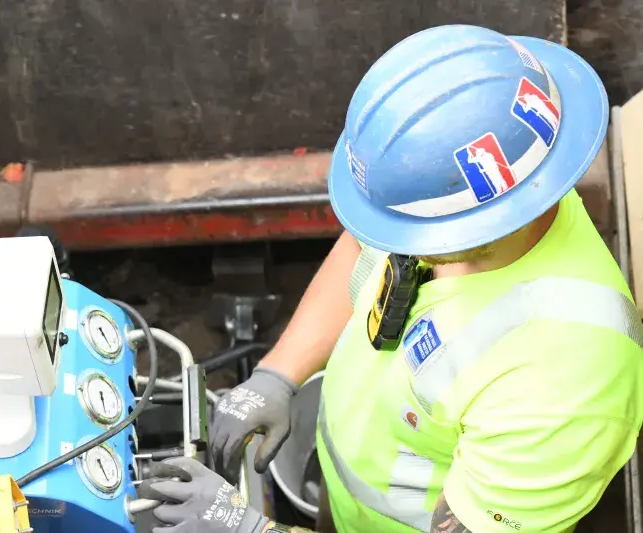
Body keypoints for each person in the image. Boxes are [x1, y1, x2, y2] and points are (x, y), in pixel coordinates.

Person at [138, 24, 643, 533]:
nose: (394, 240)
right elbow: (367, 245)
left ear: (481, 221)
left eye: (410, 230)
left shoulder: (565, 386)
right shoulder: (493, 187)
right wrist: (278, 374)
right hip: (347, 493)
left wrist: (248, 528)